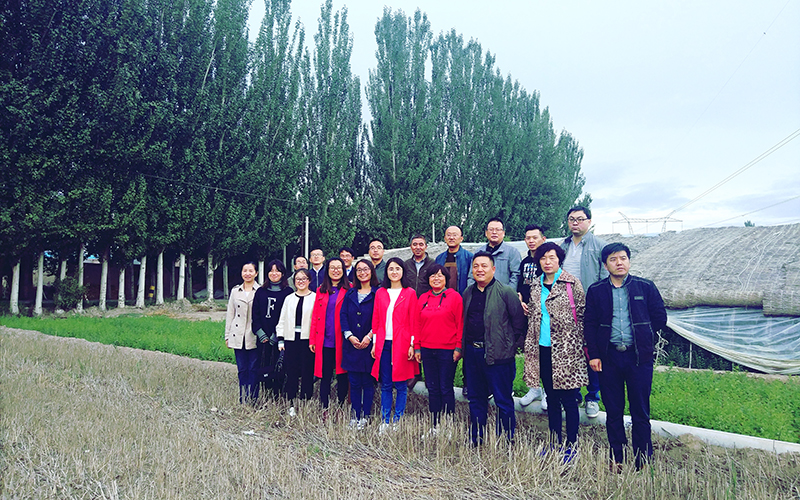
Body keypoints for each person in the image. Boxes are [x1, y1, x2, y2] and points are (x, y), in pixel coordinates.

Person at [585, 243, 667, 472]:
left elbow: (660, 318)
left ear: (629, 261)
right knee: (613, 410)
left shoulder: (645, 287)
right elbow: (589, 324)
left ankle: (643, 460)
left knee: (640, 410)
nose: (619, 263)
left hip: (639, 358)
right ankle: (617, 457)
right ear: (605, 265)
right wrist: (594, 355)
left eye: (623, 258)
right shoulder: (597, 290)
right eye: (613, 259)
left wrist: (644, 335)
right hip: (609, 358)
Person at [523, 242, 587, 464]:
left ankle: (572, 445)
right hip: (542, 348)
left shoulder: (572, 283)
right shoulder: (535, 285)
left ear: (559, 259)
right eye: (543, 258)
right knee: (551, 398)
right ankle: (554, 442)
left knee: (569, 399)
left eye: (552, 257)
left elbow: (582, 315)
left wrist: (581, 346)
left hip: (567, 351)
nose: (547, 262)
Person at [462, 251, 526, 446]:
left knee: (503, 400)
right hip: (473, 354)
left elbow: (518, 324)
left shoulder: (506, 292)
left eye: (484, 266)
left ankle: (505, 440)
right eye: (476, 266)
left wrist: (508, 346)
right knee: (475, 398)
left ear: (493, 269)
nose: (479, 270)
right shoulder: (468, 293)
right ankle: (476, 438)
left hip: (499, 356)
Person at [560, 206, 607, 418]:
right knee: (570, 351)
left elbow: (605, 278)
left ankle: (593, 397)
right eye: (572, 219)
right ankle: (574, 394)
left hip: (589, 305)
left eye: (580, 219)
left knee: (591, 351)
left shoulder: (599, 246)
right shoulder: (564, 245)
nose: (575, 223)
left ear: (589, 221)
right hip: (566, 306)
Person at [371, 257, 419, 432]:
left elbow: (414, 320)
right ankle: (385, 419)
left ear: (403, 272)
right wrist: (375, 343)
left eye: (397, 269)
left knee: (400, 384)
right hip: (384, 342)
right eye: (391, 269)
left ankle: (397, 420)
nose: (394, 272)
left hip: (402, 343)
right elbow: (376, 319)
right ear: (387, 272)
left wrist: (412, 344)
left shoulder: (409, 293)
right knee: (385, 384)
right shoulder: (381, 293)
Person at [414, 264, 463, 435]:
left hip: (447, 350)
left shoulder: (454, 297)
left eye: (440, 275)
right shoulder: (423, 298)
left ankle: (448, 425)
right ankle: (435, 425)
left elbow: (460, 324)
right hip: (427, 350)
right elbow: (417, 324)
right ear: (428, 279)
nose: (436, 278)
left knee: (445, 387)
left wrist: (458, 347)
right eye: (433, 275)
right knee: (432, 388)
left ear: (446, 279)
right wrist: (417, 347)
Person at [340, 259, 378, 429]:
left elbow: (380, 318)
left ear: (371, 271)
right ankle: (355, 414)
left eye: (366, 269)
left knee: (368, 382)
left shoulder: (378, 293)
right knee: (354, 382)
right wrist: (349, 335)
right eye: (359, 270)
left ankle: (366, 415)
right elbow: (343, 316)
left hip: (369, 344)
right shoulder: (350, 293)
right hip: (352, 344)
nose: (363, 273)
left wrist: (370, 336)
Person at [309, 257, 350, 410]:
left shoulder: (350, 289)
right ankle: (324, 405)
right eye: (332, 267)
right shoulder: (321, 289)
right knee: (325, 375)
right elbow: (315, 316)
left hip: (342, 339)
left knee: (342, 374)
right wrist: (312, 339)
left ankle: (341, 404)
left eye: (339, 267)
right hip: (325, 340)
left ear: (343, 270)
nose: (335, 270)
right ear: (327, 270)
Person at [276, 268, 316, 416]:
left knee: (307, 371)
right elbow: (282, 320)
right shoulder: (289, 298)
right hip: (290, 339)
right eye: (298, 279)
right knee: (291, 372)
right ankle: (291, 402)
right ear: (294, 281)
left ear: (309, 280)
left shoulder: (315, 298)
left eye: (304, 278)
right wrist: (281, 339)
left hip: (308, 340)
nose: (301, 281)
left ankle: (305, 402)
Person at [252, 260, 293, 399]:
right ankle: (265, 396)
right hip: (263, 338)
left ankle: (278, 396)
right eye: (271, 270)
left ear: (283, 273)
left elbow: (289, 316)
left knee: (279, 368)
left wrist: (277, 335)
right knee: (263, 366)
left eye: (277, 270)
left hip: (280, 338)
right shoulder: (260, 291)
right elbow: (255, 315)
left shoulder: (288, 292)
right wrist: (261, 334)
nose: (274, 273)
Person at [517, 224, 547, 407]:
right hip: (527, 312)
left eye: (535, 237)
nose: (531, 241)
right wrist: (520, 300)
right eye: (528, 238)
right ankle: (534, 388)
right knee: (530, 351)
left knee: (545, 351)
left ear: (543, 239)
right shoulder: (525, 262)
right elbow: (521, 286)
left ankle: (548, 391)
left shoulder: (547, 261)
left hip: (544, 314)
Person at [224, 262, 261, 404]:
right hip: (237, 335)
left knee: (253, 369)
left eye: (251, 271)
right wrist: (227, 335)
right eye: (245, 270)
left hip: (253, 335)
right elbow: (230, 314)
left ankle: (253, 398)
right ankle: (243, 397)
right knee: (242, 369)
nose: (247, 273)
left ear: (256, 273)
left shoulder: (260, 291)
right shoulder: (235, 291)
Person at [468, 217, 521, 289]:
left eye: (498, 229)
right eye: (491, 229)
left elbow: (515, 276)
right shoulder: (478, 252)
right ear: (486, 233)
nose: (494, 232)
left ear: (503, 233)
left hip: (502, 293)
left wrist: (508, 293)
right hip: (481, 293)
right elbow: (471, 276)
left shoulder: (512, 252)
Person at [434, 225, 473, 294]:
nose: (451, 238)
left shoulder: (469, 257)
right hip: (442, 297)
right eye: (448, 235)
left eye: (455, 235)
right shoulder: (439, 258)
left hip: (462, 297)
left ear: (461, 239)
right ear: (445, 238)